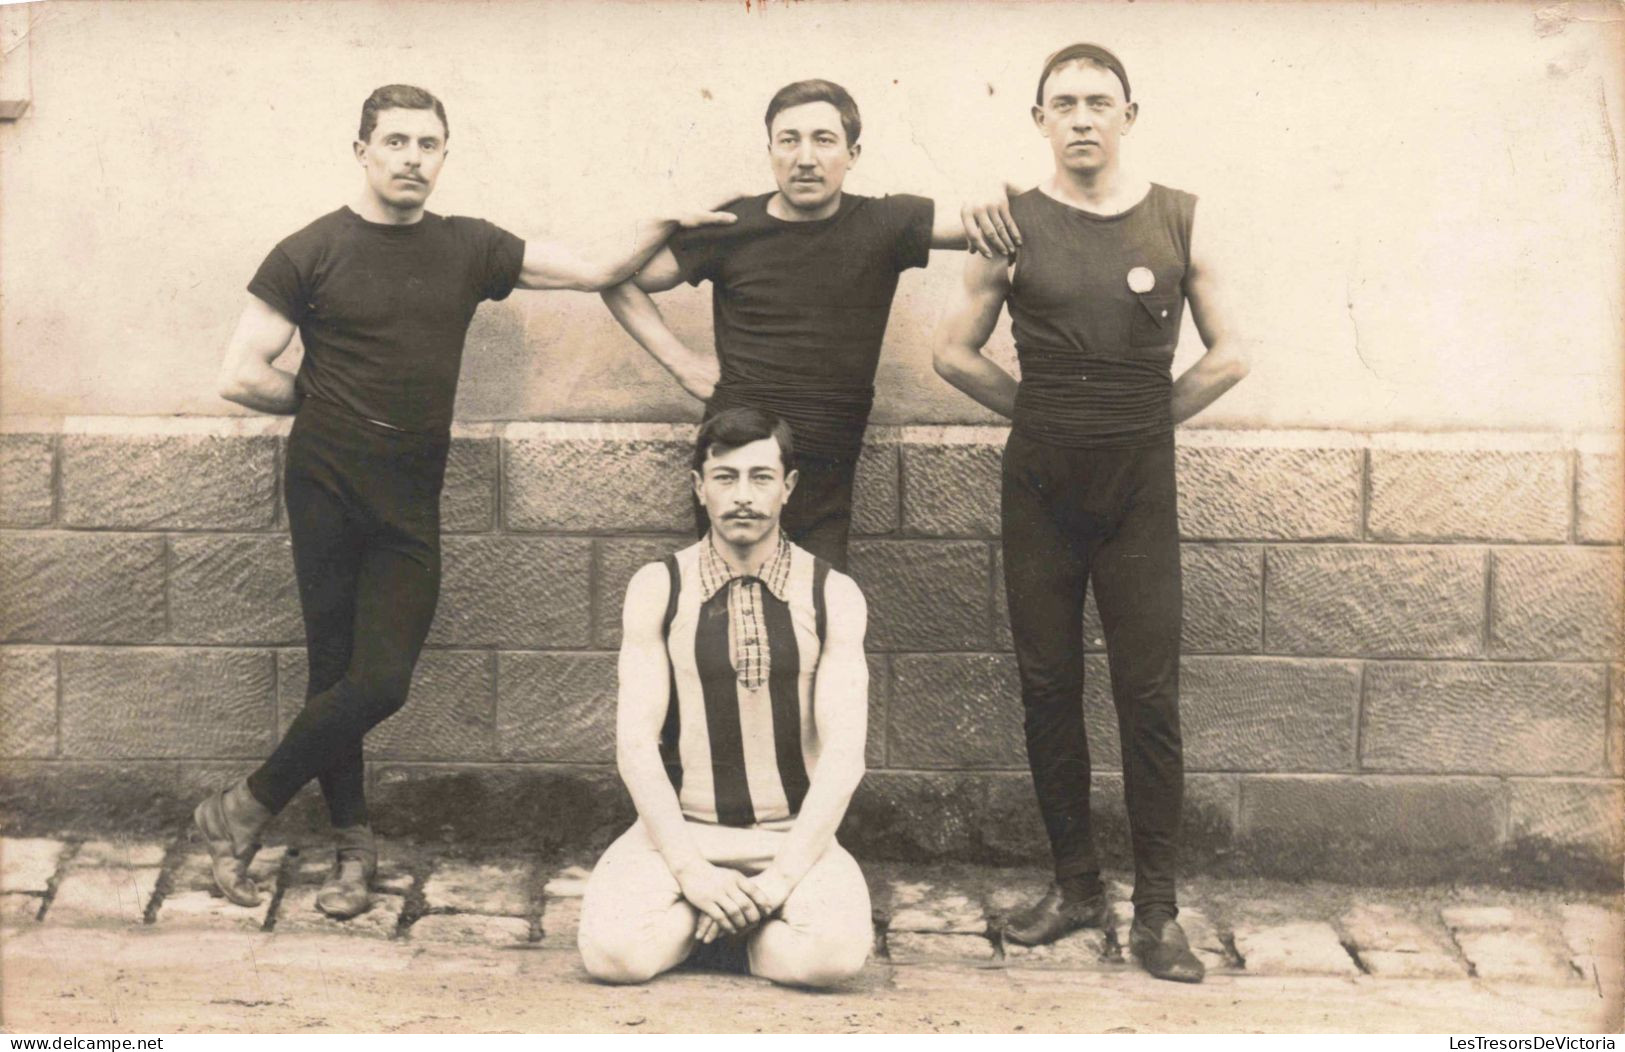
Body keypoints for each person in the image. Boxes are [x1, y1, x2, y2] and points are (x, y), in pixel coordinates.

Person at [194, 84, 738, 919]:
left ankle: (240, 808)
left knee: (379, 680)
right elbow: (241, 374)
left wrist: (661, 218)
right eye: (396, 142)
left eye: (429, 144)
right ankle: (353, 851)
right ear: (362, 150)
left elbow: (594, 270)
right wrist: (330, 404)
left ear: (443, 156)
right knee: (335, 671)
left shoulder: (470, 247)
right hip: (327, 482)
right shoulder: (307, 251)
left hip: (412, 490)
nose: (413, 158)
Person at [931, 44, 1251, 983]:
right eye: (1061, 104)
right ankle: (1075, 889)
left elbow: (1231, 354)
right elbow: (953, 351)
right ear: (1038, 120)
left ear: (1128, 115)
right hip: (1039, 486)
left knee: (1147, 696)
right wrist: (1041, 412)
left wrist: (1139, 417)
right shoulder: (1011, 223)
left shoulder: (1180, 217)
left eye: (1097, 103)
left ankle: (1157, 914)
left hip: (1137, 488)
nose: (1080, 118)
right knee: (1046, 685)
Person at [599, 79, 1022, 570]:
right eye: (789, 140)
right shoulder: (732, 226)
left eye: (823, 140)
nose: (805, 157)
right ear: (771, 150)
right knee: (727, 612)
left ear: (852, 152)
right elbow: (614, 277)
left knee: (815, 616)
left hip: (828, 462)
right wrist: (682, 364)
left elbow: (1005, 224)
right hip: (738, 458)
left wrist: (994, 187)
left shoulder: (885, 222)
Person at [577, 408, 873, 988]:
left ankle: (740, 936)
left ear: (787, 488)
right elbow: (635, 746)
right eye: (725, 477)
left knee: (834, 958)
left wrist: (780, 882)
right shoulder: (659, 586)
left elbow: (844, 758)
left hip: (790, 836)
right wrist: (691, 872)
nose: (743, 495)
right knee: (612, 956)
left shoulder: (832, 593)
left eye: (761, 477)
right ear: (699, 487)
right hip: (682, 833)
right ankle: (716, 916)